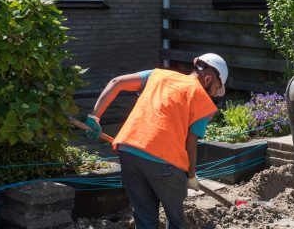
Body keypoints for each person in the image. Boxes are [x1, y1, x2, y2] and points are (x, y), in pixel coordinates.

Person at [84, 53, 228, 229]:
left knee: (145, 220)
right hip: (164, 164)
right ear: (208, 78)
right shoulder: (201, 98)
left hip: (128, 152)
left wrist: (94, 117)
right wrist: (191, 176)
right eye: (215, 89)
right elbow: (191, 145)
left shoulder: (158, 74)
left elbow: (117, 82)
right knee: (176, 219)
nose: (213, 95)